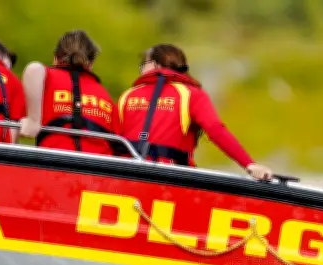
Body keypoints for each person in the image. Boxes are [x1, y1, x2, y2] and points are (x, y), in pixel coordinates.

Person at [116, 44, 273, 181]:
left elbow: (114, 139)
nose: (141, 69)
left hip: (124, 173)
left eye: (143, 64)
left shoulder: (127, 95)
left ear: (155, 64)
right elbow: (216, 130)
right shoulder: (192, 94)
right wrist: (249, 164)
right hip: (171, 176)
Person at [18, 30, 119, 155]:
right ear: (91, 63)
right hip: (98, 168)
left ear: (55, 57)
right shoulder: (105, 95)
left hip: (54, 162)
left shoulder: (45, 79)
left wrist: (33, 121)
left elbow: (34, 69)